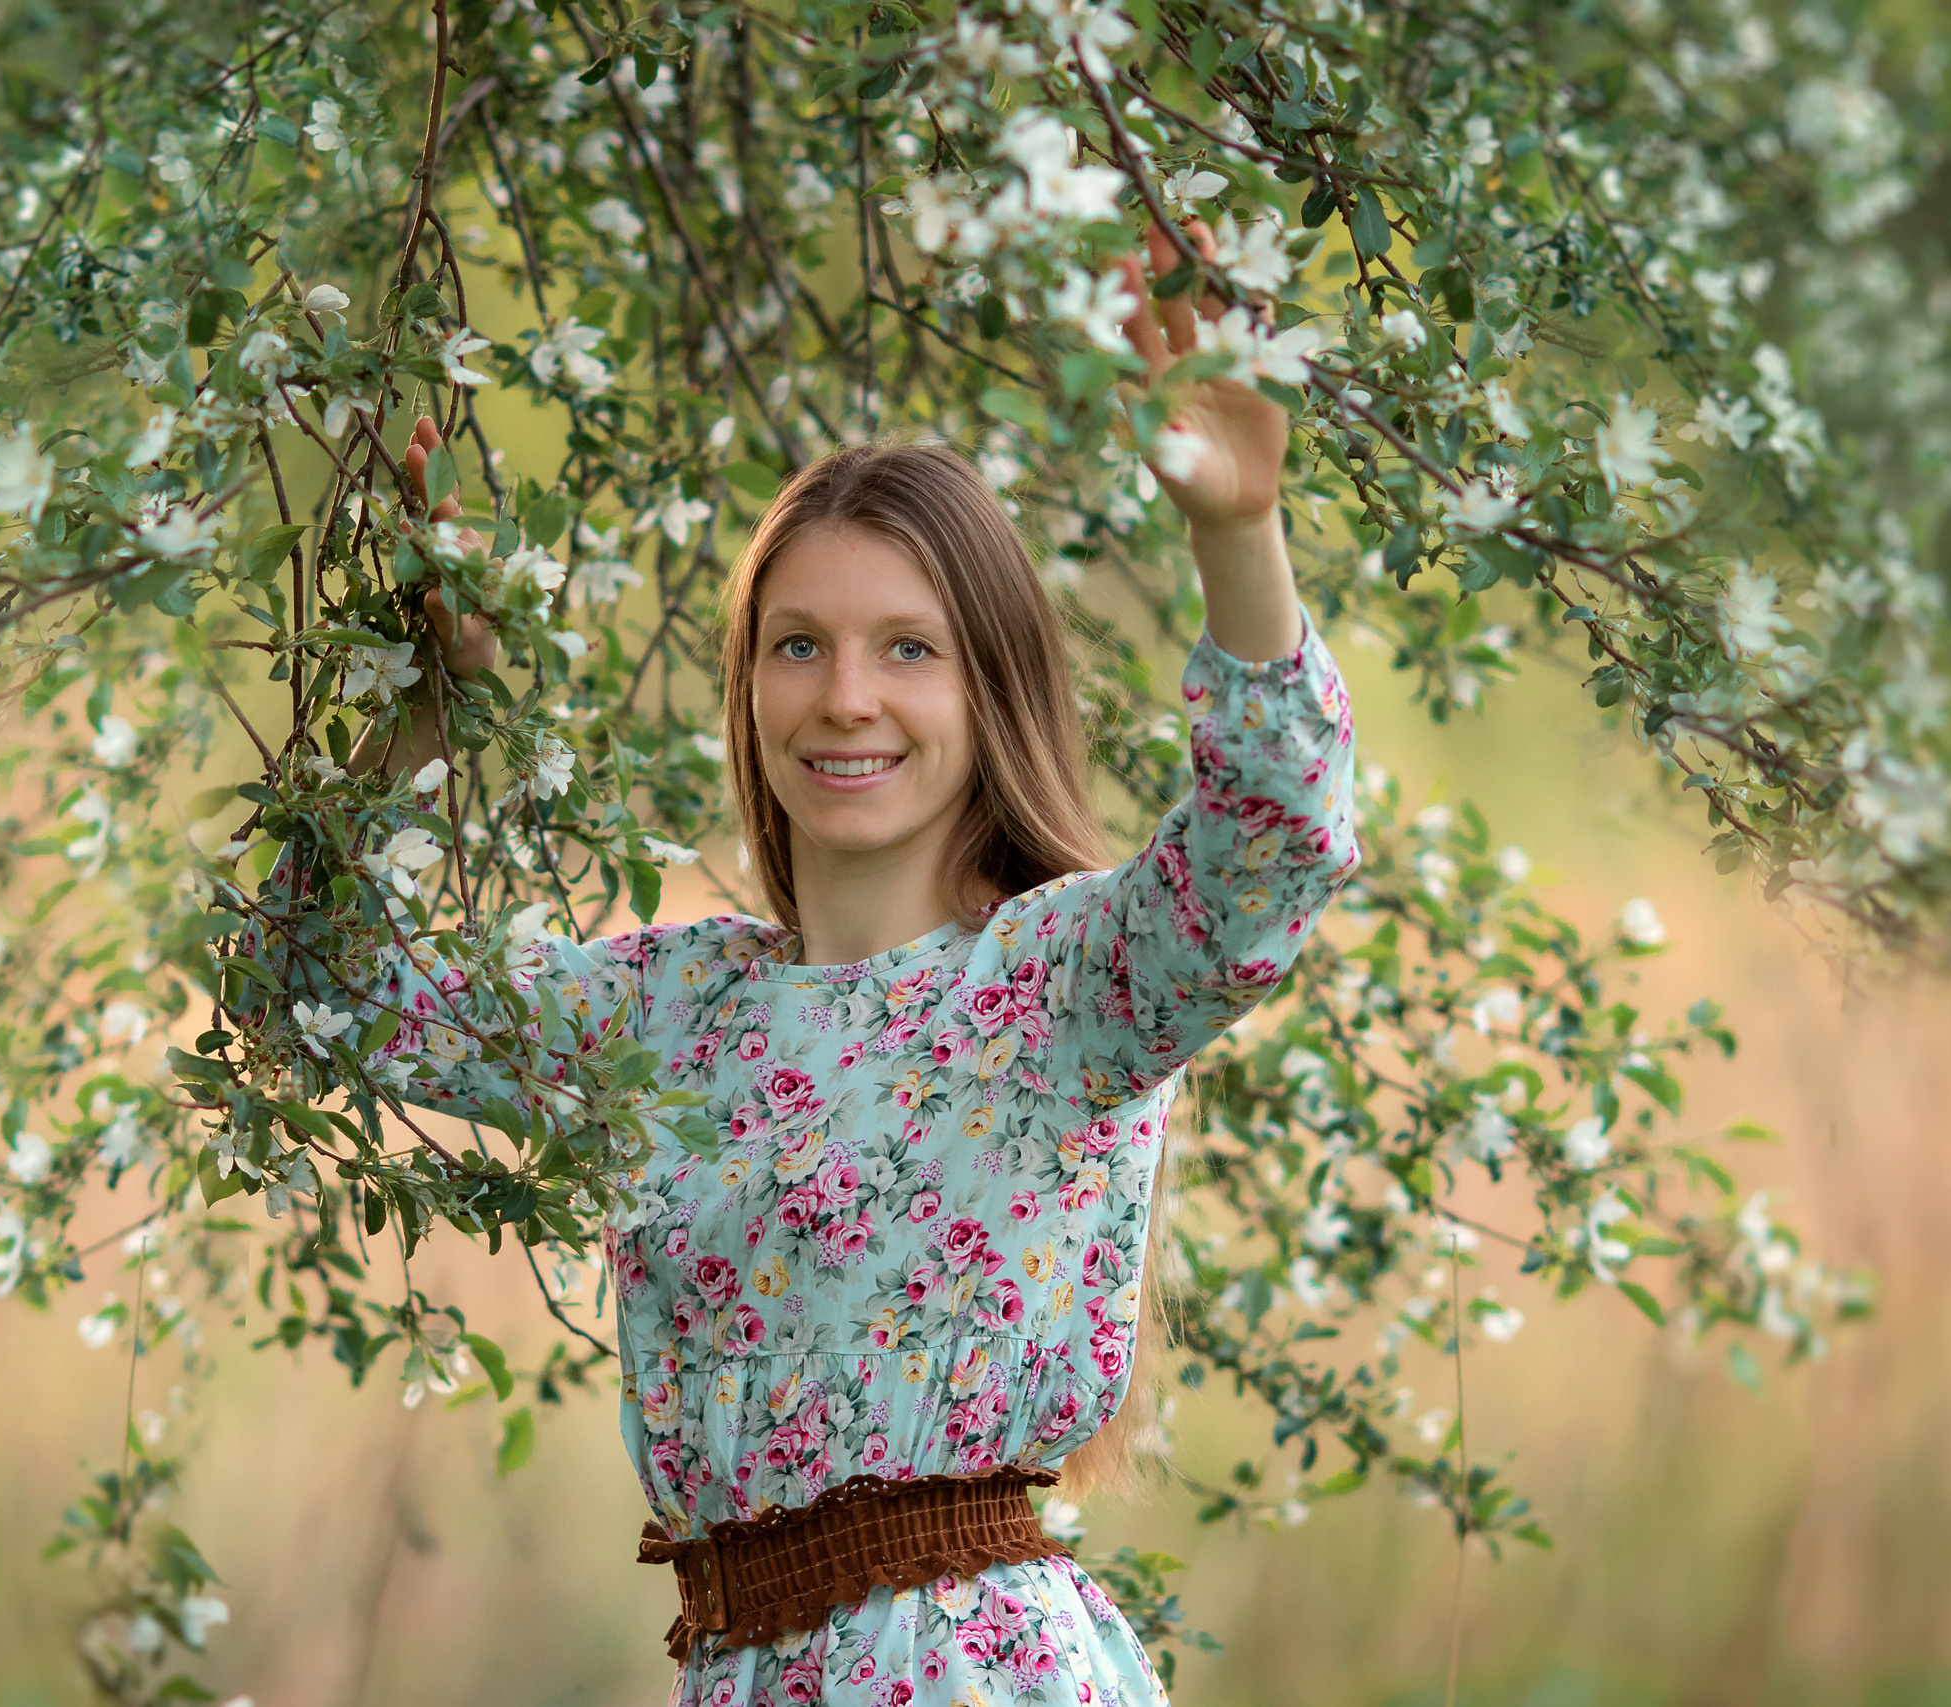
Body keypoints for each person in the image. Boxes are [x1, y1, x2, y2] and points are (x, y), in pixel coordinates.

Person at [316, 218, 1359, 1703]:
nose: (846, 698)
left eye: (908, 649)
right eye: (797, 644)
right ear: (746, 685)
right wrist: (427, 705)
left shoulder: (1061, 984)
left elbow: (1275, 851)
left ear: (990, 686)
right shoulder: (666, 1015)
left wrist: (1237, 535)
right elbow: (326, 990)